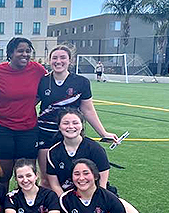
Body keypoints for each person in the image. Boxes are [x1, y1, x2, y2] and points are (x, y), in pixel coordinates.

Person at [45, 109, 141, 213]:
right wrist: (67, 203)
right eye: (66, 123)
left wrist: (94, 202)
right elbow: (55, 185)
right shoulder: (53, 152)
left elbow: (103, 183)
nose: (71, 127)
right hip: (69, 198)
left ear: (82, 125)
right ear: (59, 126)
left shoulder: (95, 149)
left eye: (75, 123)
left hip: (97, 194)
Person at [37, 45, 117, 187]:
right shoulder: (42, 81)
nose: (58, 61)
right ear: (49, 61)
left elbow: (88, 110)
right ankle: (49, 208)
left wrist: (103, 132)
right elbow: (28, 104)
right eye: (54, 58)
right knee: (46, 180)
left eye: (63, 57)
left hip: (71, 136)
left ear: (70, 61)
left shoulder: (81, 82)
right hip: (45, 135)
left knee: (76, 179)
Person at [0, 37, 47, 187]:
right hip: (0, 128)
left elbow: (43, 92)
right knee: (2, 174)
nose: (24, 54)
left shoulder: (38, 70)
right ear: (10, 53)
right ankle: (1, 208)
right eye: (20, 51)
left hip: (28, 129)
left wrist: (26, 105)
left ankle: (27, 208)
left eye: (27, 51)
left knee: (27, 174)